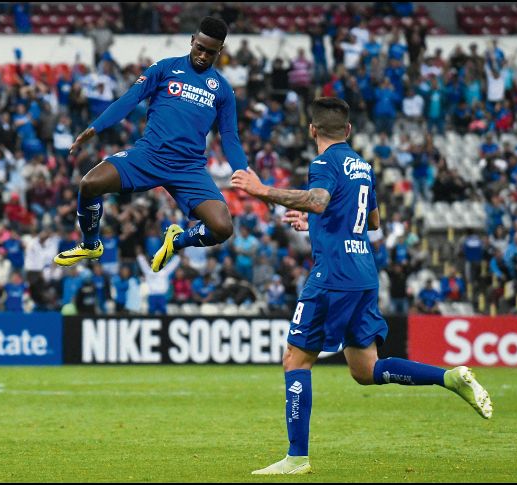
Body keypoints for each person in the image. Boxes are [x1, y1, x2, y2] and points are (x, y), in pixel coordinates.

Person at [230, 97, 492, 475]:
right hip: (363, 273)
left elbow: (319, 201)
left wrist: (261, 190)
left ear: (312, 130)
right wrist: (315, 224)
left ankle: (296, 457)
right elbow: (371, 220)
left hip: (333, 276)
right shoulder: (362, 165)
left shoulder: (324, 162)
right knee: (365, 369)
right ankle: (449, 377)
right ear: (348, 130)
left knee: (295, 359)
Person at [53, 16, 247, 274]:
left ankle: (176, 240)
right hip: (149, 156)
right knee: (89, 184)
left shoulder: (222, 89)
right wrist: (95, 127)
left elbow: (230, 136)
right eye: (200, 47)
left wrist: (244, 172)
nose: (203, 55)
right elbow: (130, 98)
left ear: (219, 52)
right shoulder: (165, 69)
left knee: (222, 228)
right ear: (192, 41)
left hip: (188, 168)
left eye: (210, 52)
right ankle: (91, 244)